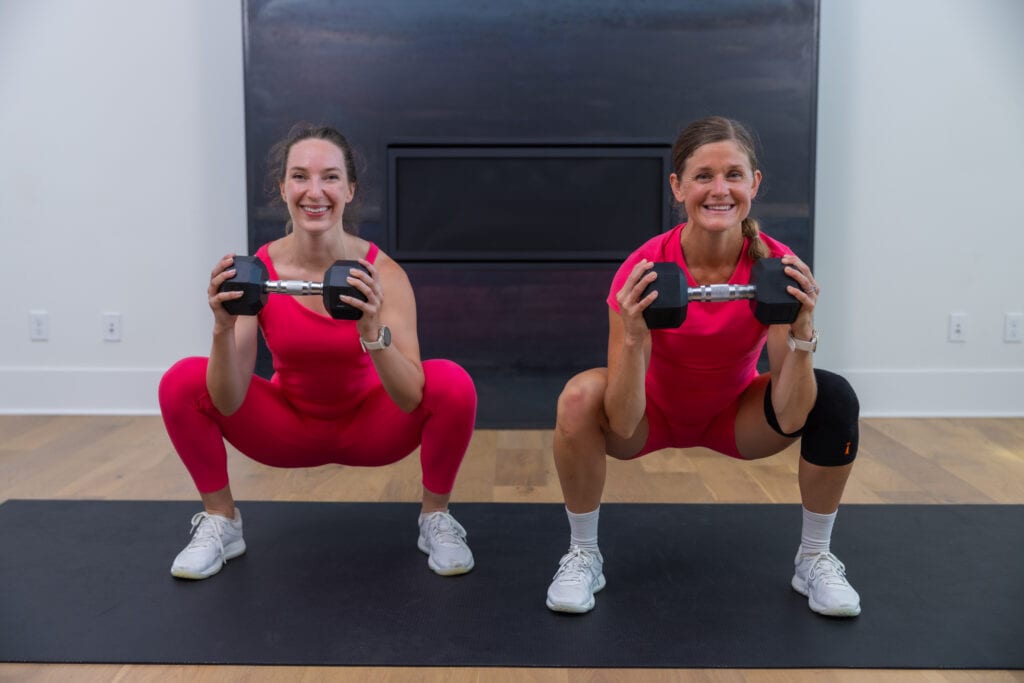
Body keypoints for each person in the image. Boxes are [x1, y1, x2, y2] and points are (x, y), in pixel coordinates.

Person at [544, 116, 861, 617]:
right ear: (678, 187)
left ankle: (815, 557)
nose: (720, 190)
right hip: (649, 416)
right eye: (703, 176)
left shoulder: (777, 269)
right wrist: (633, 332)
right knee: (579, 395)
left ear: (754, 183)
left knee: (835, 394)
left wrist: (802, 329)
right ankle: (584, 553)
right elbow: (623, 421)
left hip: (735, 419)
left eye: (734, 175)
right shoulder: (644, 270)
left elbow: (794, 413)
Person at [159, 123, 478, 580]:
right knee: (182, 380)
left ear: (350, 190)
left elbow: (411, 398)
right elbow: (227, 400)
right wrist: (222, 329)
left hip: (371, 427)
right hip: (288, 426)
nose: (315, 191)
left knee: (451, 381)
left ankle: (435, 518)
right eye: (300, 176)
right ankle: (222, 522)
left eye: (329, 177)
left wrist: (371, 329)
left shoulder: (384, 274)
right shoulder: (258, 271)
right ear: (282, 188)